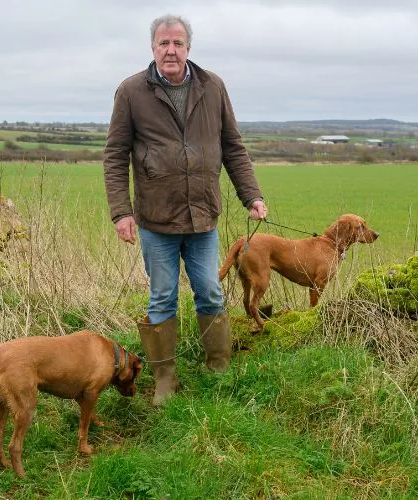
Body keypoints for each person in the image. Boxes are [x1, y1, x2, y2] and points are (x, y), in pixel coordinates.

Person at [103, 14, 268, 405]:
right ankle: (165, 380)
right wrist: (120, 212)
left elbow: (233, 147)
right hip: (156, 219)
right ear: (153, 48)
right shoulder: (131, 91)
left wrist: (252, 196)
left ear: (189, 48)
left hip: (203, 217)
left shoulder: (213, 86)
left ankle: (219, 370)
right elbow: (114, 155)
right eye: (163, 43)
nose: (171, 50)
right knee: (162, 297)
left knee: (210, 291)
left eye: (178, 43)